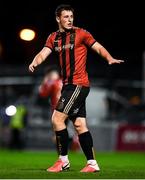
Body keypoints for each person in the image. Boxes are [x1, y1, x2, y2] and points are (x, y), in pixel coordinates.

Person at [29, 4, 124, 173]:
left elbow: (98, 47)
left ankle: (63, 161)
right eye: (65, 17)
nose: (69, 20)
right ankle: (92, 163)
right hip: (69, 86)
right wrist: (35, 62)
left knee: (57, 120)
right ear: (58, 18)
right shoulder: (54, 38)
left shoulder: (81, 34)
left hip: (78, 85)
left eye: (71, 16)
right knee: (80, 125)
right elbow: (43, 52)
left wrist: (109, 58)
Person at [39, 66, 80, 151]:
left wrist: (45, 81)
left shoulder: (53, 82)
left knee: (58, 134)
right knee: (63, 131)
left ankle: (63, 155)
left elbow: (43, 94)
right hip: (69, 109)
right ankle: (72, 140)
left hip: (58, 110)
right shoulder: (66, 82)